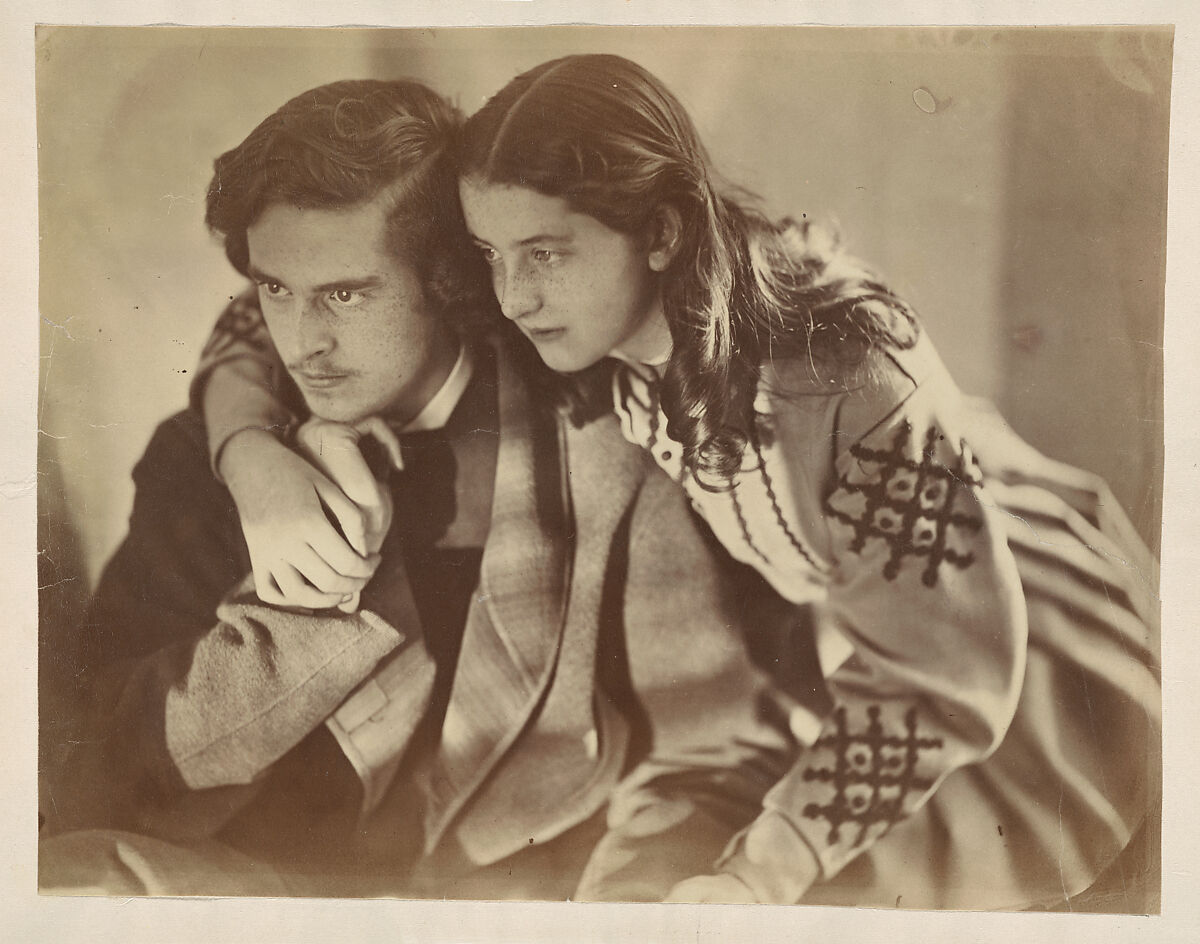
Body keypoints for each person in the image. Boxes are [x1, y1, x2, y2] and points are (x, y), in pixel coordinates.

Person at [187, 57, 1161, 911]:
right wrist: (251, 457)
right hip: (837, 628)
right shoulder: (556, 288)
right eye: (490, 257)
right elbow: (275, 293)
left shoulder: (843, 371)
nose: (510, 296)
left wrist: (755, 875)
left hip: (1004, 641)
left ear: (658, 232)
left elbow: (937, 679)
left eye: (544, 257)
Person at [37, 78, 819, 900]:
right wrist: (308, 601)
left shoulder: (605, 441)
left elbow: (705, 752)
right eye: (275, 290)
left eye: (345, 294)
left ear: (452, 280)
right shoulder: (206, 455)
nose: (304, 343)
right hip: (253, 893)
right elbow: (105, 767)